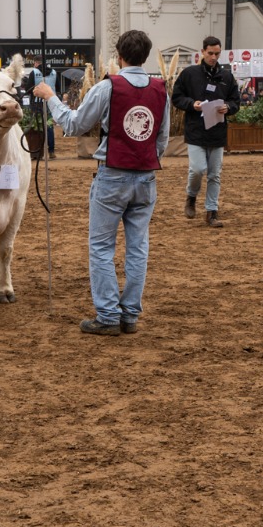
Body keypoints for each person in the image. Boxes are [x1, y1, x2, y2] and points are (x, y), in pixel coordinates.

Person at [34, 30, 169, 337]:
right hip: (145, 176)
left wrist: (50, 97)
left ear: (119, 55)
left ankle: (108, 314)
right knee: (138, 247)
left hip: (112, 175)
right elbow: (160, 139)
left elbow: (73, 125)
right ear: (145, 56)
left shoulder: (108, 87)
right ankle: (130, 314)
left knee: (101, 247)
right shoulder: (161, 89)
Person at [171, 36, 239, 228]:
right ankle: (191, 196)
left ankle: (212, 212)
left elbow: (236, 101)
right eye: (210, 53)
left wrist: (228, 107)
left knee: (215, 174)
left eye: (217, 53)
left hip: (217, 132)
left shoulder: (227, 76)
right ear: (202, 52)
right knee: (198, 169)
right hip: (195, 131)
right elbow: (177, 97)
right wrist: (192, 104)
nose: (213, 57)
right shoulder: (189, 74)